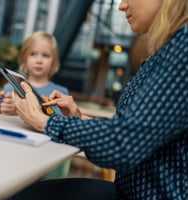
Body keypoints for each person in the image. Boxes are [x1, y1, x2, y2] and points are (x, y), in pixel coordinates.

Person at [11, 0, 188, 199]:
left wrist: (45, 121)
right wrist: (77, 119)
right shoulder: (166, 50)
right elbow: (133, 130)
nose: (121, 5)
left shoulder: (183, 48)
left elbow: (124, 144)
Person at [0, 31, 68, 115]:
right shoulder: (10, 87)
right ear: (24, 58)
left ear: (54, 61)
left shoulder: (60, 93)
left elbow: (58, 121)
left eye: (45, 55)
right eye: (33, 54)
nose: (39, 60)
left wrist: (18, 110)